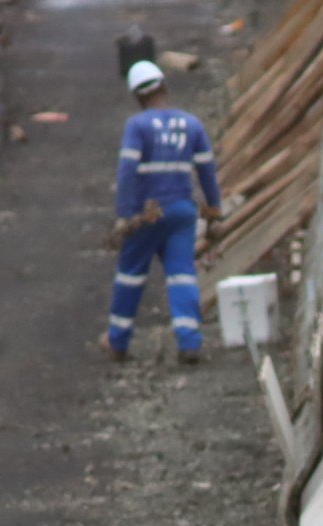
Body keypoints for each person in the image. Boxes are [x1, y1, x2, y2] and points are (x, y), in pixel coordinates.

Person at [108, 60, 221, 363]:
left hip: (148, 214)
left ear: (137, 96)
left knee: (130, 275)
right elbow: (207, 169)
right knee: (182, 275)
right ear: (164, 87)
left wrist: (126, 214)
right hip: (182, 212)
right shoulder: (190, 124)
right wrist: (213, 206)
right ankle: (189, 342)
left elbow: (127, 171)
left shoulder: (138, 126)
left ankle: (118, 342)